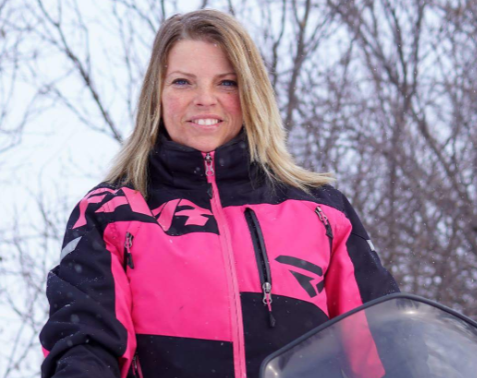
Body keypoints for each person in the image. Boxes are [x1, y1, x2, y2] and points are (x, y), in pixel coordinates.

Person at [39, 9, 399, 378]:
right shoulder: (111, 213)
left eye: (226, 83)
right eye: (183, 82)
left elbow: (384, 345)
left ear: (251, 93)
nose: (205, 99)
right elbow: (84, 343)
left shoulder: (321, 212)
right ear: (156, 96)